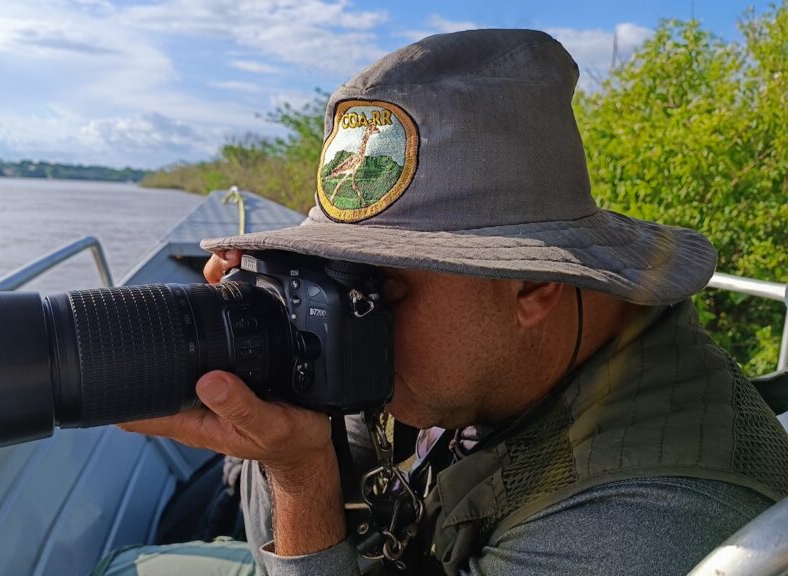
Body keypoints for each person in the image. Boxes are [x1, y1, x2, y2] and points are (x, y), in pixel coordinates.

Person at [101, 29, 788, 576]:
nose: (353, 308)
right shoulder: (470, 348)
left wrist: (301, 480)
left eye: (384, 286)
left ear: (531, 284)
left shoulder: (636, 529)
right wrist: (277, 377)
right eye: (336, 274)